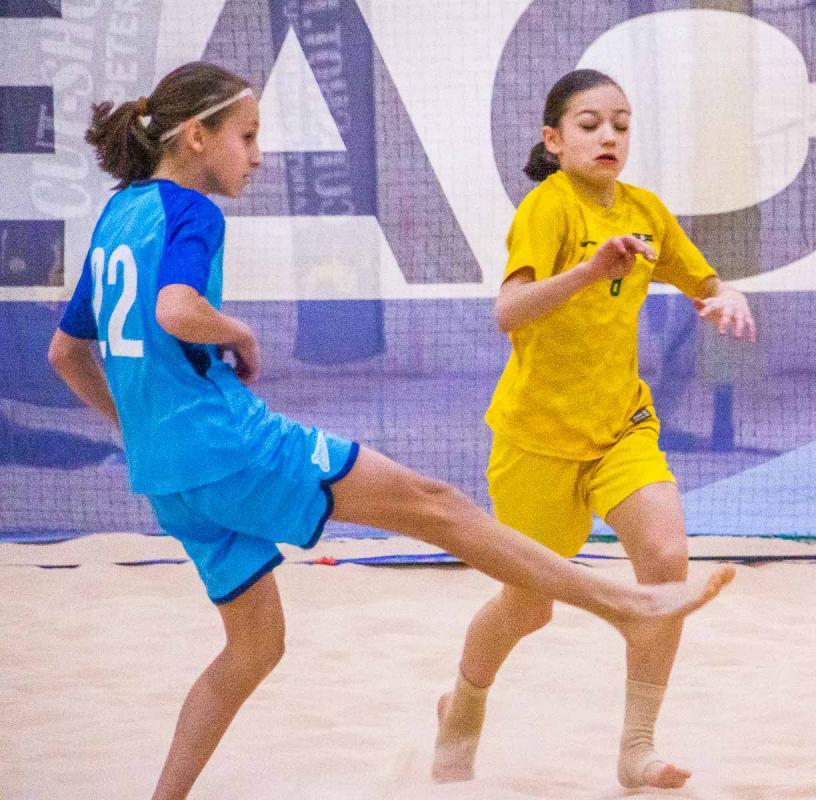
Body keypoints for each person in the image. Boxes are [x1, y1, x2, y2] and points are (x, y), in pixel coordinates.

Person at [47, 61, 734, 800]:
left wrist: (139, 432)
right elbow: (176, 310)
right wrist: (238, 332)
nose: (258, 155)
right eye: (247, 137)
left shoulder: (117, 215)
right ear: (195, 137)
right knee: (438, 505)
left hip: (168, 478)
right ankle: (626, 606)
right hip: (234, 445)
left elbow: (66, 354)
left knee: (254, 648)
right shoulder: (193, 211)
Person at [433, 69, 756, 790]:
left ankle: (637, 748)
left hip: (621, 428)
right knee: (528, 608)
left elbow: (704, 281)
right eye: (589, 124)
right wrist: (587, 270)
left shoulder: (645, 211)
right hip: (537, 440)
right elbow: (508, 312)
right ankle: (462, 705)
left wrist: (726, 295)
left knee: (666, 559)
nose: (608, 135)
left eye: (621, 123)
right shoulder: (548, 207)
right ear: (553, 140)